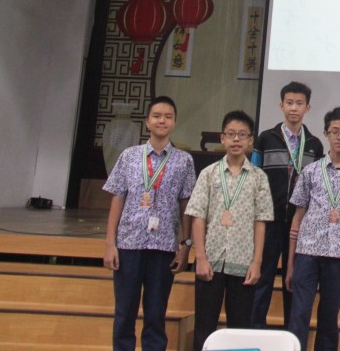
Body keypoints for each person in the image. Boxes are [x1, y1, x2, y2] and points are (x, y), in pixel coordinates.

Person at [103, 95, 197, 351]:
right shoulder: (129, 156)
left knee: (156, 314)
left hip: (164, 247)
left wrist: (186, 245)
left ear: (174, 122)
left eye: (167, 117)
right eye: (156, 116)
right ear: (147, 122)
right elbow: (117, 199)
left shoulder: (184, 160)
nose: (162, 121)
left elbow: (186, 205)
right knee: (125, 313)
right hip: (129, 244)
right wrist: (110, 243)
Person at [286, 107, 340, 351]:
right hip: (308, 252)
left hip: (338, 255)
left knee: (329, 317)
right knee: (299, 314)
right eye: (335, 131)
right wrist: (291, 263)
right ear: (326, 133)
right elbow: (298, 216)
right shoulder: (310, 172)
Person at [187, 111, 274, 350]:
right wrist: (200, 258)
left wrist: (257, 263)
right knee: (204, 326)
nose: (236, 139)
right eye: (231, 134)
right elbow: (197, 217)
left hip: (243, 264)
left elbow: (261, 221)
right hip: (211, 262)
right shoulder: (208, 174)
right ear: (222, 138)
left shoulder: (259, 178)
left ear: (250, 140)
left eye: (242, 135)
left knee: (240, 329)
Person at [250, 82, 325, 329]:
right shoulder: (265, 138)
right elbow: (254, 178)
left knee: (293, 280)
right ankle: (256, 331)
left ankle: (290, 336)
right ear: (281, 105)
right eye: (289, 103)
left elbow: (317, 187)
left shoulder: (314, 144)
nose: (294, 108)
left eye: (299, 103)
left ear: (307, 108)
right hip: (268, 221)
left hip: (299, 224)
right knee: (263, 277)